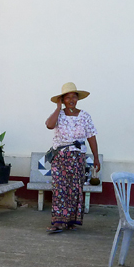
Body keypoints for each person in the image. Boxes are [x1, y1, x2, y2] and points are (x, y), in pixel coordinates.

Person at [44, 82, 101, 233]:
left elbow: (91, 137)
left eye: (74, 97)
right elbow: (49, 125)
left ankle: (70, 221)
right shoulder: (59, 115)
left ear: (77, 99)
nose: (71, 100)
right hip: (60, 158)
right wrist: (57, 108)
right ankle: (57, 222)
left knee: (75, 189)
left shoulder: (84, 116)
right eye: (67, 97)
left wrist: (96, 157)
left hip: (77, 158)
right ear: (62, 100)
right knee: (59, 189)